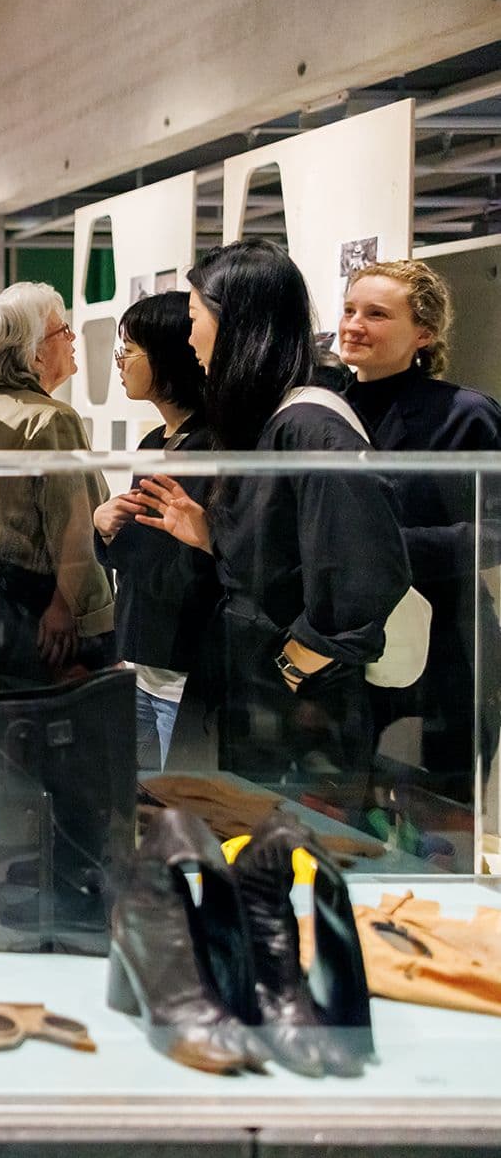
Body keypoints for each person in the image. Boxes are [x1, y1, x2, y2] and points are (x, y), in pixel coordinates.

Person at [135, 240, 409, 794]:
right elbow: (285, 554)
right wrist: (212, 535)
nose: (189, 338)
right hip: (252, 691)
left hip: (293, 717)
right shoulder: (276, 420)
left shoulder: (307, 425)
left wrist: (287, 670)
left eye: (195, 320)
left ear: (237, 323)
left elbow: (361, 577)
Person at [339, 258, 501, 795]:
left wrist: (385, 550)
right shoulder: (320, 410)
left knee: (446, 811)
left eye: (376, 314)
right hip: (346, 636)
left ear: (424, 334)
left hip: (448, 641)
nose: (354, 325)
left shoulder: (465, 414)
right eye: (349, 310)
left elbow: (494, 531)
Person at [92, 291, 219, 770]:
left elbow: (196, 561)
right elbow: (140, 549)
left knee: (179, 804)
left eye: (130, 349)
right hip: (143, 656)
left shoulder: (210, 445)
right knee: (143, 801)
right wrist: (105, 531)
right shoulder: (155, 440)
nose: (120, 361)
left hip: (183, 663)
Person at [0, 282, 115, 686]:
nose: (71, 338)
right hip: (51, 617)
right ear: (33, 353)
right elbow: (74, 526)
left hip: (0, 610)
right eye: (62, 331)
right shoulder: (52, 419)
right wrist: (68, 605)